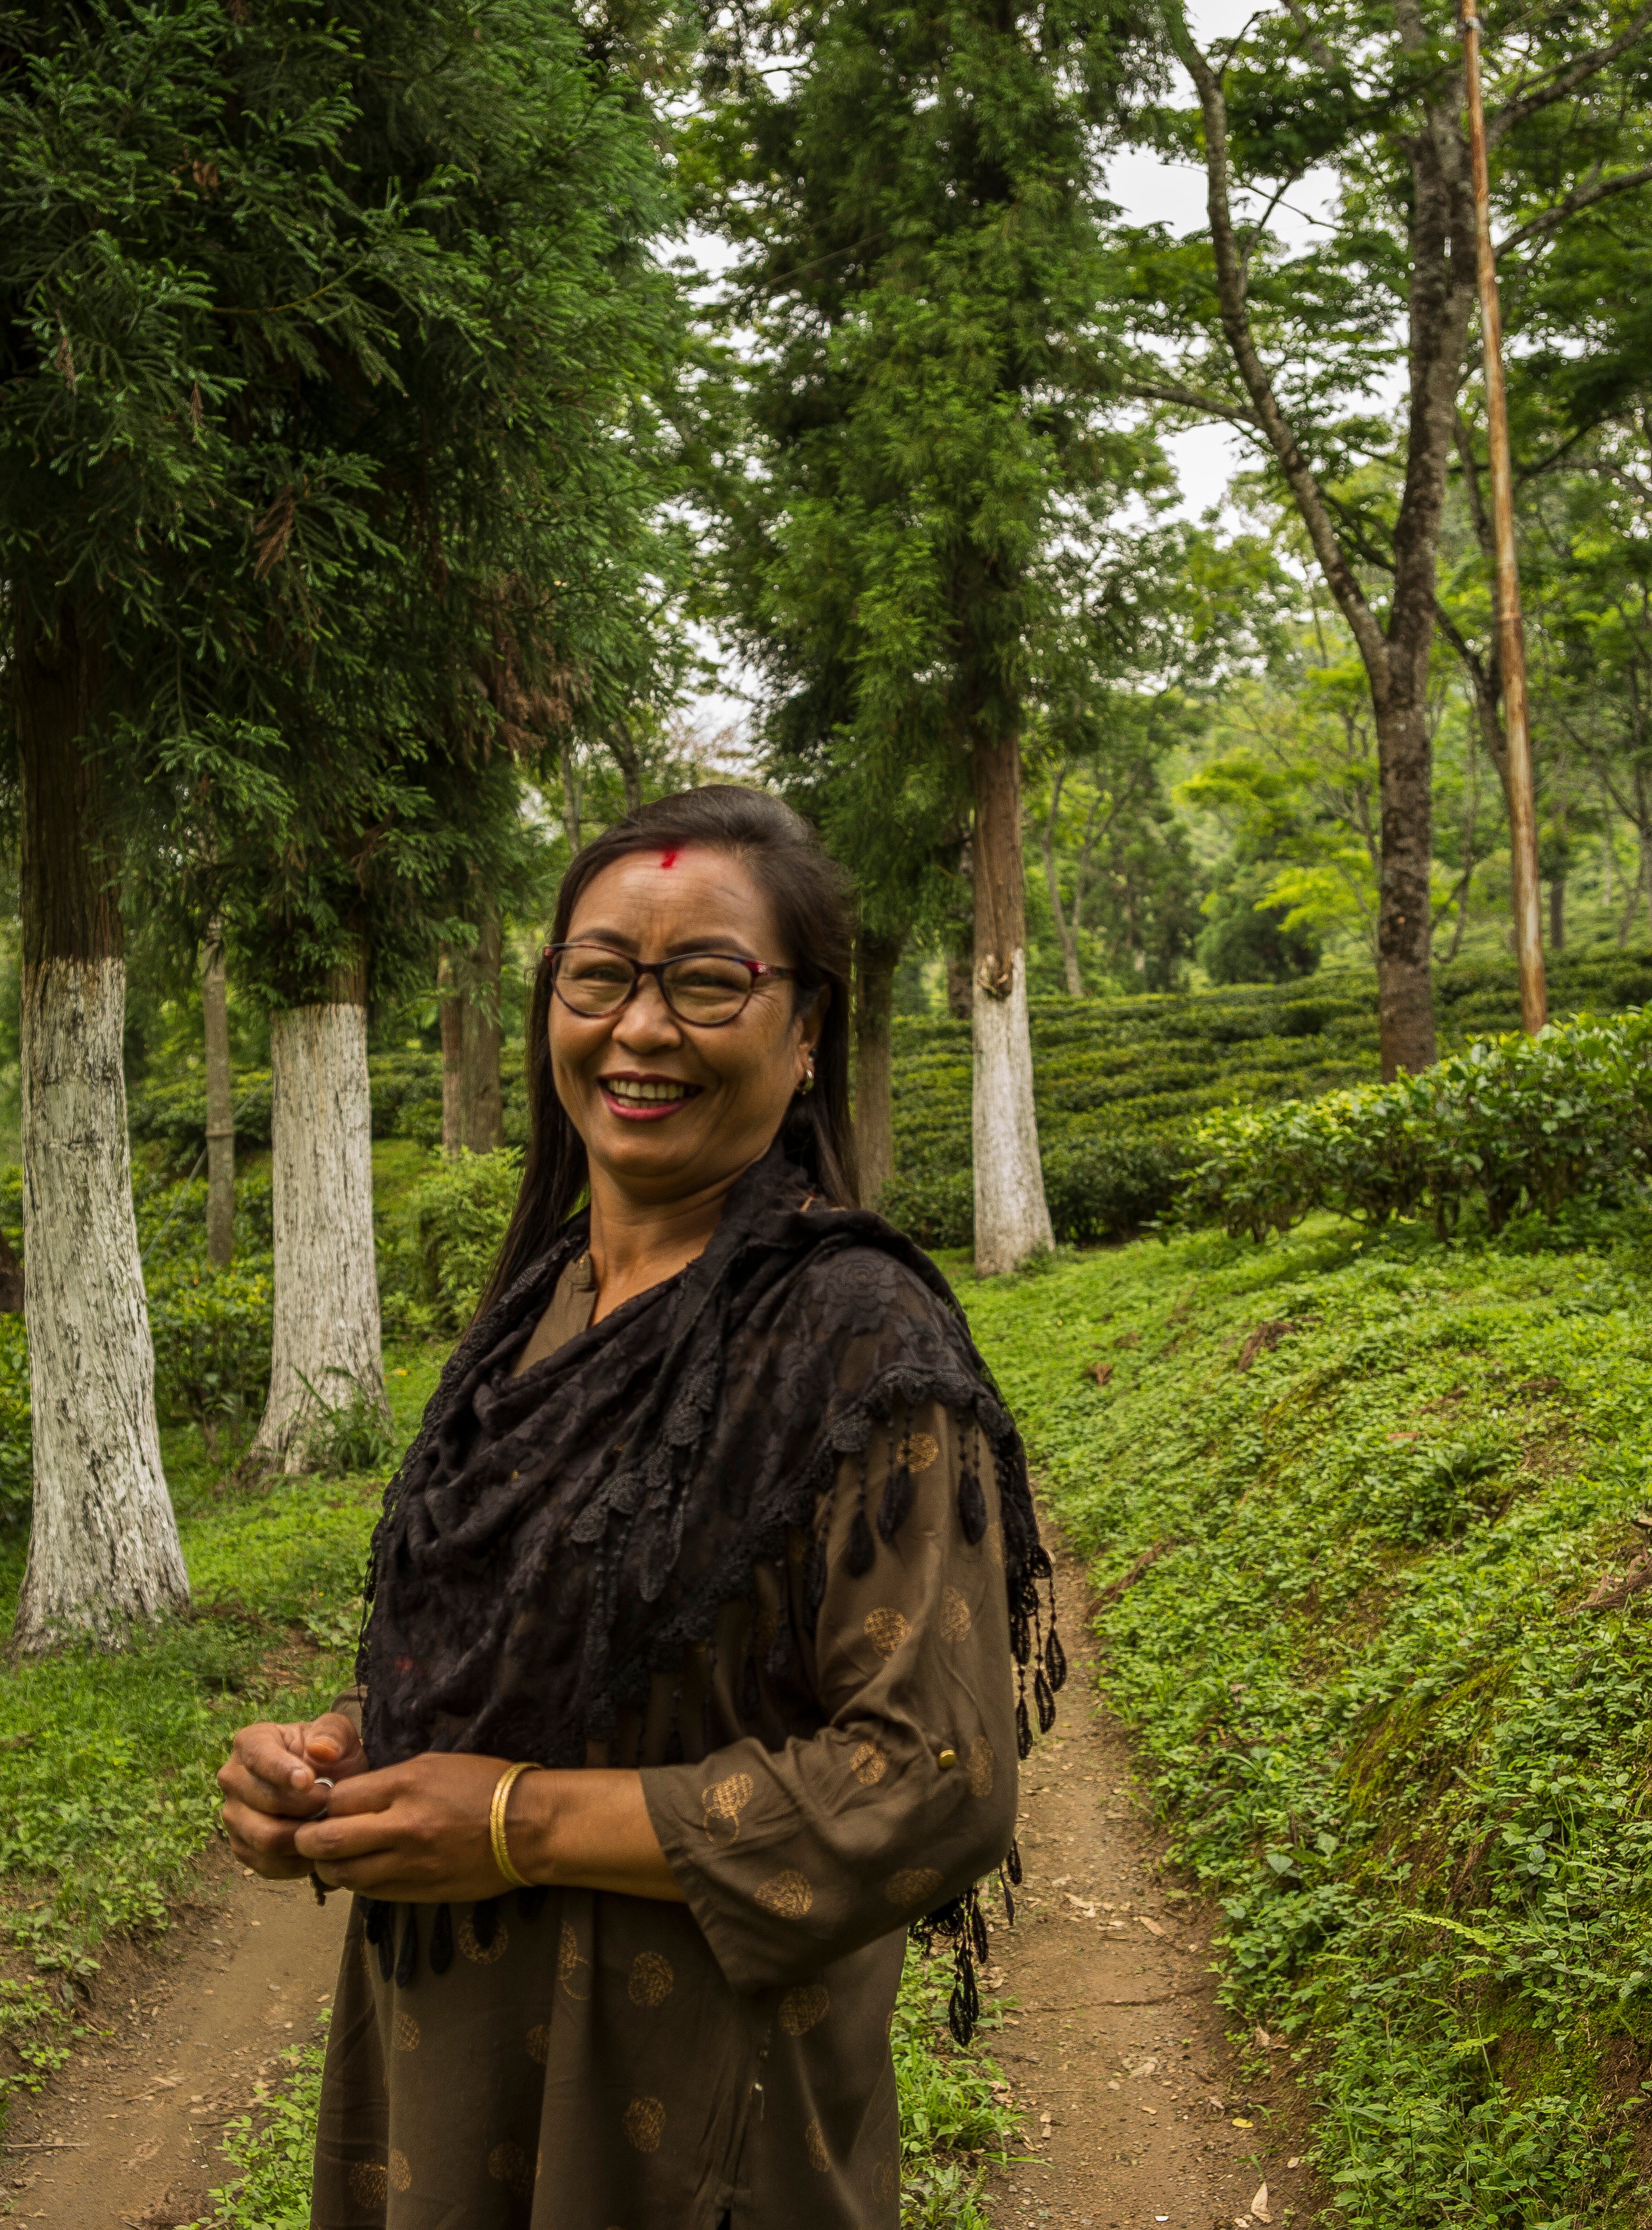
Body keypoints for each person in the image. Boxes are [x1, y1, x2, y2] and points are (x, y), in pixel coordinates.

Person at [217, 785, 1062, 2227]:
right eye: (600, 976)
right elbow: (555, 1644)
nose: (642, 1028)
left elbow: (935, 1780)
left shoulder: (856, 1338)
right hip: (441, 2040)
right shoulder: (539, 1303)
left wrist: (515, 1824)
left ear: (806, 1037)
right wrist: (347, 1757)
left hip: (691, 2085)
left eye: (710, 982)